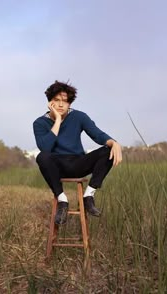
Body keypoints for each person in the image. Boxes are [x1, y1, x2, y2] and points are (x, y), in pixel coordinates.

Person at [33, 80, 122, 225]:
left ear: (70, 104)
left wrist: (113, 143)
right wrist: (58, 121)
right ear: (50, 102)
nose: (61, 104)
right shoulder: (39, 123)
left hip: (79, 163)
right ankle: (62, 200)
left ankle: (89, 196)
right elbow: (46, 148)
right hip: (57, 166)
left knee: (108, 149)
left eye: (65, 101)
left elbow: (97, 134)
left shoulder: (79, 116)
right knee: (42, 156)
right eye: (57, 100)